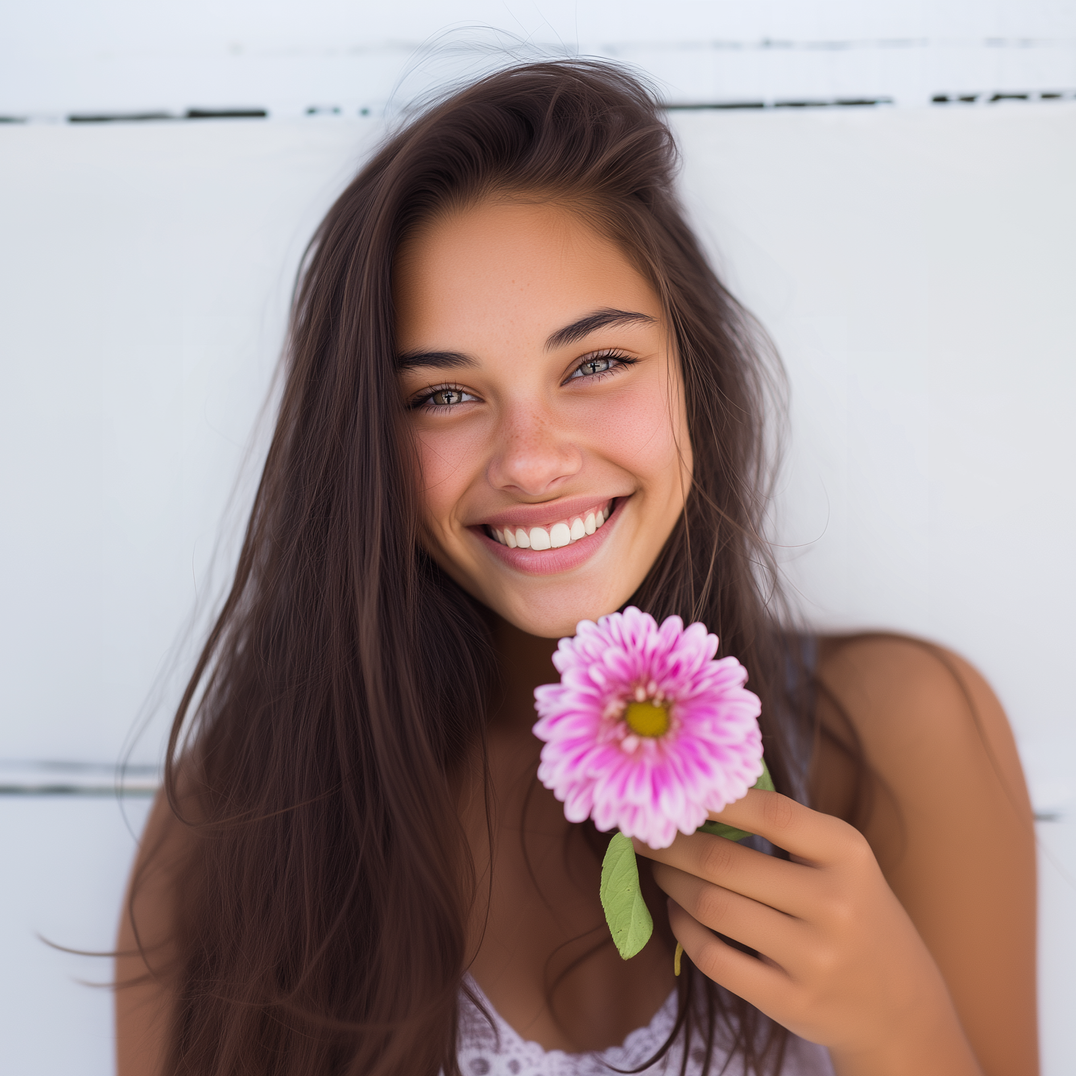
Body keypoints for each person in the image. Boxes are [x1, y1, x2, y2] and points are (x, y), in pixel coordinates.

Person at [115, 60, 1037, 1076]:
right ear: (363, 444)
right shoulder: (231, 823)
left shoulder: (903, 730)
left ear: (696, 369)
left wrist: (897, 1023)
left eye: (594, 364)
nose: (530, 459)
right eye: (440, 395)